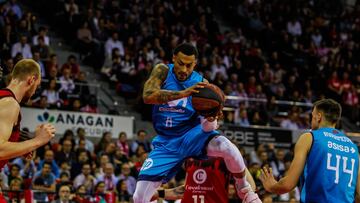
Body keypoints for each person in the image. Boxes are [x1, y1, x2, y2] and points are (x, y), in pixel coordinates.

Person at [133, 43, 261, 203]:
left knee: (226, 146)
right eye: (180, 63)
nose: (184, 69)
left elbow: (207, 126)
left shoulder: (202, 83)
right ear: (173, 58)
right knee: (139, 198)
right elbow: (148, 96)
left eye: (189, 65)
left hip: (191, 135)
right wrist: (183, 93)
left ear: (195, 64)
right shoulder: (163, 71)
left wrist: (212, 117)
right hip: (167, 141)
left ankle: (246, 191)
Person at [260, 99, 360, 202]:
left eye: (312, 116)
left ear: (318, 116)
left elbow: (288, 185)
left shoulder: (309, 137)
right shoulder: (353, 147)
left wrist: (271, 186)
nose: (311, 120)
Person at [151, 157, 257, 203]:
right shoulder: (190, 157)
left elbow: (251, 187)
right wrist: (157, 193)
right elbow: (186, 190)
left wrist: (237, 160)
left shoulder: (225, 155)